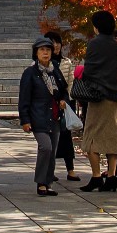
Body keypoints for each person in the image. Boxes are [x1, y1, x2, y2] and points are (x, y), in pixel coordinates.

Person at [78, 11, 117, 191]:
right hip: (116, 98)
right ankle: (112, 177)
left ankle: (96, 176)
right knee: (112, 138)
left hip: (99, 97)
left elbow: (90, 70)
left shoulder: (95, 43)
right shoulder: (115, 45)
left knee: (91, 138)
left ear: (97, 26)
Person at [19, 37, 67, 196]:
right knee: (45, 147)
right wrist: (25, 120)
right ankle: (40, 182)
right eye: (42, 50)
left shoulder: (55, 70)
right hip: (38, 116)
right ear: (36, 53)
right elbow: (24, 97)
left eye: (48, 50)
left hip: (54, 116)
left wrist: (62, 100)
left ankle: (48, 183)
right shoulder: (30, 73)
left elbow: (63, 90)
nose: (45, 53)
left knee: (52, 151)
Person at [45, 28, 78, 183]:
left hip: (64, 104)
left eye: (58, 42)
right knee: (49, 139)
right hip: (48, 105)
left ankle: (70, 170)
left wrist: (67, 99)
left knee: (66, 137)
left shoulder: (66, 62)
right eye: (52, 42)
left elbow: (71, 83)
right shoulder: (41, 64)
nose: (56, 45)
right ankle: (49, 170)